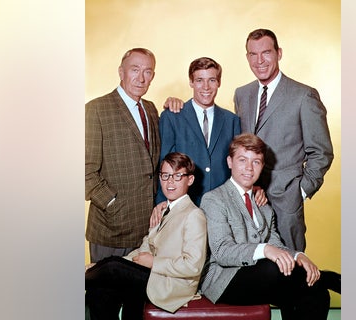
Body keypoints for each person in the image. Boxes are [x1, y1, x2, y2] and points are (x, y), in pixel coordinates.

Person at [165, 29, 334, 252]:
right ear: (247, 58)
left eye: (266, 53)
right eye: (253, 54)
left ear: (279, 53)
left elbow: (321, 152)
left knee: (289, 268)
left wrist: (299, 192)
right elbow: (239, 146)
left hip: (285, 203)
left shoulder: (303, 95)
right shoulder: (243, 94)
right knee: (250, 268)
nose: (259, 60)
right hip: (243, 200)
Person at [199, 133, 340, 320]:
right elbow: (222, 252)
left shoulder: (263, 205)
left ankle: (322, 280)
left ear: (262, 166)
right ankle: (329, 278)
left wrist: (299, 256)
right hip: (225, 280)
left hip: (262, 278)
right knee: (274, 268)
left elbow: (277, 245)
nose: (249, 168)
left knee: (317, 292)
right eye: (242, 160)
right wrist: (265, 249)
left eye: (256, 162)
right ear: (230, 162)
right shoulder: (214, 199)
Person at [85, 152, 207, 320]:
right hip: (153, 276)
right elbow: (143, 250)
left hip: (172, 284)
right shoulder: (162, 210)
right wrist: (100, 267)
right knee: (98, 289)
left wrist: (154, 263)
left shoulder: (194, 215)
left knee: (113, 265)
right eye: (165, 175)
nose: (170, 182)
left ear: (190, 180)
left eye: (177, 176)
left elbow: (193, 266)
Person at [85, 47, 161, 262]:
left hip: (147, 231)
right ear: (121, 72)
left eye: (147, 71)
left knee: (142, 294)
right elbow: (84, 172)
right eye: (134, 69)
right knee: (106, 294)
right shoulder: (96, 110)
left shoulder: (151, 109)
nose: (141, 77)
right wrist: (113, 204)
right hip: (111, 230)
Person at [156, 57, 241, 206]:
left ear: (219, 82)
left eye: (212, 80)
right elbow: (164, 164)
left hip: (222, 206)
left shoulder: (231, 120)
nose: (206, 87)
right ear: (191, 82)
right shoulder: (172, 117)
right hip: (184, 205)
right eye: (200, 80)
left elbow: (237, 166)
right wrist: (162, 204)